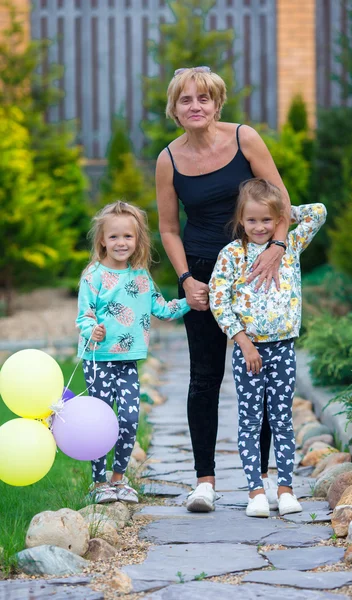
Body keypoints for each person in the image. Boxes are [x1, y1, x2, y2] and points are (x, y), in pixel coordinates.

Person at [156, 66, 291, 512]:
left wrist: (275, 248)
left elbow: (282, 203)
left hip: (257, 271)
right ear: (174, 109)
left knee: (266, 376)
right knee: (204, 377)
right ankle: (205, 483)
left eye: (203, 99)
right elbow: (169, 229)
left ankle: (266, 482)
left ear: (217, 103)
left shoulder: (244, 139)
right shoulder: (168, 160)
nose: (195, 107)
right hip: (201, 271)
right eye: (185, 100)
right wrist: (185, 280)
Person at [209, 178, 327, 517]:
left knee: (281, 419)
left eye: (267, 219)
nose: (259, 227)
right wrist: (243, 342)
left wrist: (283, 217)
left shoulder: (289, 244)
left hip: (283, 348)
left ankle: (286, 489)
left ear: (278, 219)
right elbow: (219, 300)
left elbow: (318, 213)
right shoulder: (232, 254)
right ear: (240, 221)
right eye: (252, 220)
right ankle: (256, 491)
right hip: (250, 351)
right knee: (250, 420)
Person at [76, 201, 191, 504]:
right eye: (113, 237)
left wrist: (191, 301)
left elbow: (163, 309)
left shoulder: (141, 277)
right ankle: (99, 482)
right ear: (102, 239)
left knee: (128, 418)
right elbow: (83, 316)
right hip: (98, 359)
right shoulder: (93, 276)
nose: (121, 242)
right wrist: (91, 330)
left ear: (137, 239)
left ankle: (118, 478)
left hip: (127, 360)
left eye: (127, 236)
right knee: (101, 421)